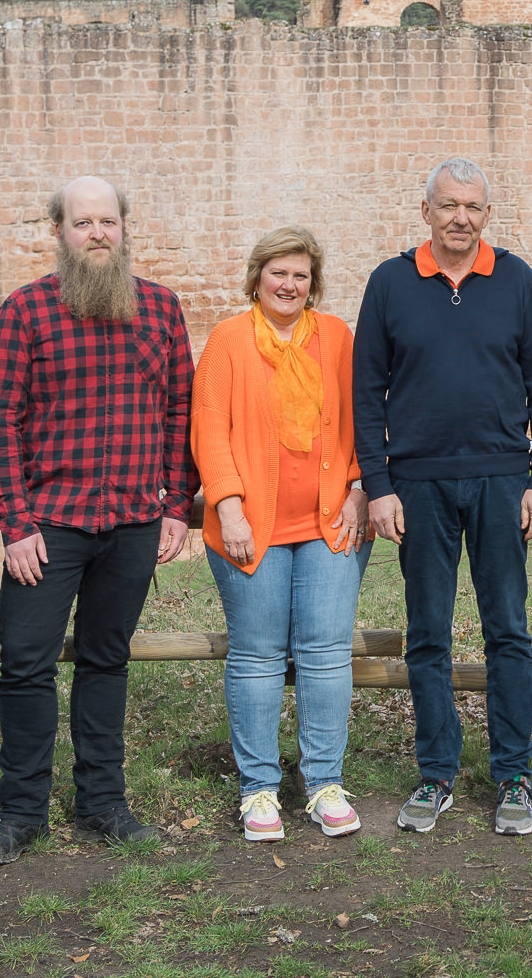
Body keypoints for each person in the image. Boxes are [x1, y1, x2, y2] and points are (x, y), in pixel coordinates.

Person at [0, 177, 197, 867]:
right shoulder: (27, 311)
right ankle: (20, 814)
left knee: (106, 662)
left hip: (131, 521)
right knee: (27, 666)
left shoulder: (160, 309)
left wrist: (175, 503)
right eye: (82, 222)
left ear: (124, 229)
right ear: (59, 231)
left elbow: (180, 413)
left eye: (107, 221)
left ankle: (104, 804)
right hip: (51, 525)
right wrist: (16, 524)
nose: (96, 233)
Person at [355, 158, 532, 837]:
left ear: (487, 215)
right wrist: (378, 485)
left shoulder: (517, 280)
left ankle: (514, 776)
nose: (459, 218)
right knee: (428, 633)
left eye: (471, 206)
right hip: (419, 484)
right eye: (447, 205)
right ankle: (436, 772)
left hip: (503, 478)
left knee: (508, 630)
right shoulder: (390, 283)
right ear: (426, 212)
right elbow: (366, 393)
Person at [191, 227, 369, 844]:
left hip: (329, 520)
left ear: (312, 282)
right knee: (258, 655)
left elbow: (365, 417)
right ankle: (259, 789)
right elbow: (209, 431)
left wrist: (358, 488)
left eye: (300, 275)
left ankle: (323, 782)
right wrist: (229, 506)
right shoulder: (229, 342)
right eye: (278, 273)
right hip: (251, 526)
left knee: (325, 652)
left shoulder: (339, 339)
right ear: (258, 277)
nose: (289, 284)